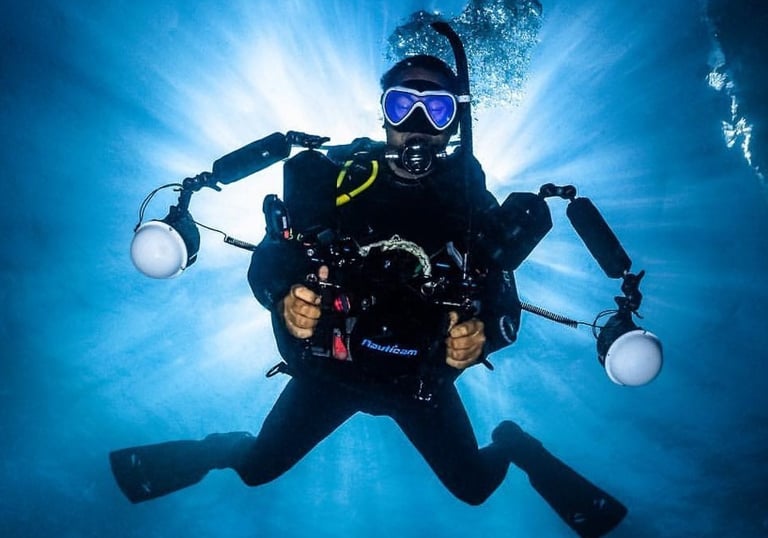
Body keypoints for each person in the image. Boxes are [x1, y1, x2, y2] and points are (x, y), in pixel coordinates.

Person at [110, 54, 627, 538]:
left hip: (417, 384)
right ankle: (217, 452)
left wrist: (481, 339)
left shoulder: (471, 210)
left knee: (474, 487)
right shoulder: (335, 182)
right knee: (255, 470)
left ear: (453, 124)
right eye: (403, 104)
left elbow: (503, 304)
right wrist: (284, 298)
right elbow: (271, 259)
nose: (418, 122)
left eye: (438, 108)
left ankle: (517, 447)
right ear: (384, 117)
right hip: (331, 372)